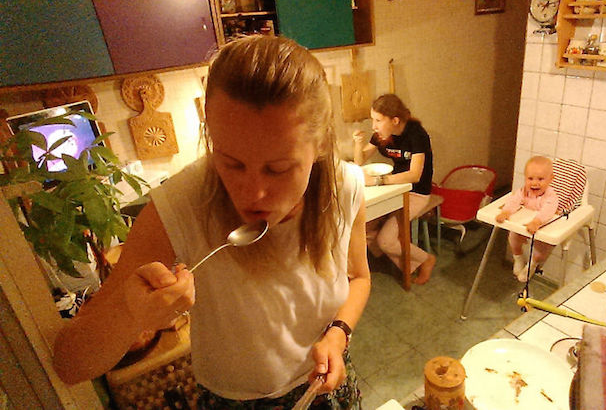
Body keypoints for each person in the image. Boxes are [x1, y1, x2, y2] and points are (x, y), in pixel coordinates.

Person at [52, 35, 371, 409]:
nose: (253, 193)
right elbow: (69, 364)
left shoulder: (343, 187)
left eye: (278, 169)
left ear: (319, 145)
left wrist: (338, 334)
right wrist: (131, 310)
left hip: (322, 385)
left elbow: (358, 277)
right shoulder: (182, 204)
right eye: (232, 163)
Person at [352, 94, 436, 285]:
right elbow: (359, 161)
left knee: (385, 241)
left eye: (378, 120)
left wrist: (377, 181)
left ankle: (425, 259)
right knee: (362, 229)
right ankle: (405, 263)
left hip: (416, 192)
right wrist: (357, 143)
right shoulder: (382, 134)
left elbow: (415, 175)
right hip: (394, 189)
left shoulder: (417, 134)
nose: (374, 125)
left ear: (395, 120)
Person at [495, 156, 558, 282]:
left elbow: (548, 211)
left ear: (551, 179)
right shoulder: (524, 191)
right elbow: (514, 201)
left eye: (540, 179)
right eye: (530, 178)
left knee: (541, 249)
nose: (534, 183)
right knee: (513, 237)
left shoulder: (551, 196)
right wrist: (506, 212)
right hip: (524, 224)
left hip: (541, 225)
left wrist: (537, 221)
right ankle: (518, 258)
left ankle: (532, 265)